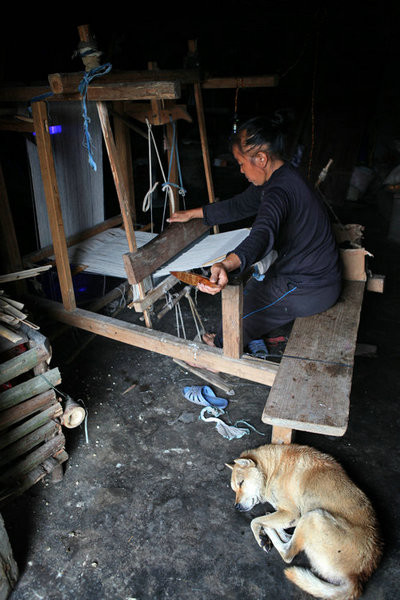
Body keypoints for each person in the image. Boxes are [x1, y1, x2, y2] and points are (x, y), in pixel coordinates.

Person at [167, 114, 342, 357]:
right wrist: (192, 214)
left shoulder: (278, 191)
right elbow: (240, 205)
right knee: (249, 292)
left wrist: (227, 263)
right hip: (310, 275)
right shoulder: (282, 175)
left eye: (241, 163)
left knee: (236, 319)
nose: (240, 170)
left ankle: (216, 351)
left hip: (310, 286)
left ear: (261, 158)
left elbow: (263, 232)